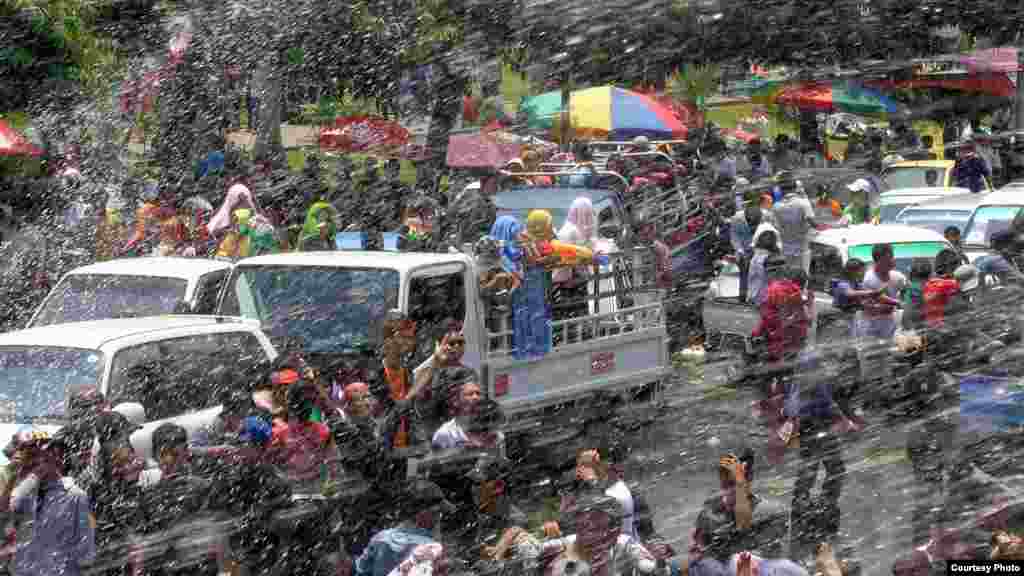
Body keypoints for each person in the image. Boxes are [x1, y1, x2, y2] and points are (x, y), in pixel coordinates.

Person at [782, 349, 859, 543]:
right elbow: (795, 414)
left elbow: (829, 403)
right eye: (816, 367)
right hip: (813, 430)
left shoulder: (813, 384)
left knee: (824, 470)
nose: (820, 371)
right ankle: (810, 509)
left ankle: (814, 506)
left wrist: (845, 421)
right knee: (820, 470)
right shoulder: (802, 392)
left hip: (818, 430)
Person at [207, 416, 292, 576]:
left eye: (245, 443)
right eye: (239, 443)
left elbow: (282, 522)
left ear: (260, 447)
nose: (239, 448)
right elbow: (217, 514)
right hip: (239, 552)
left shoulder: (273, 478)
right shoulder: (227, 476)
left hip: (265, 554)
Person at [4, 431, 95, 576]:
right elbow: (4, 513)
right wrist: (16, 476)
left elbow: (86, 553)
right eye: (29, 456)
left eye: (36, 455)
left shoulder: (75, 497)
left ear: (54, 456)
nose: (33, 462)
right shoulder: (25, 494)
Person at [689, 451, 785, 569]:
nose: (729, 491)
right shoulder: (711, 509)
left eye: (734, 484)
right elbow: (697, 548)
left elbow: (767, 559)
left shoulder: (768, 513)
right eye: (725, 484)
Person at [354, 479, 455, 576]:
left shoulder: (380, 538)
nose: (438, 519)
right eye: (438, 513)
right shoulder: (431, 550)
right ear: (424, 513)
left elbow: (361, 572)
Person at [772, 173, 819, 274]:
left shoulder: (776, 206)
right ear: (795, 188)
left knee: (789, 278)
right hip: (802, 249)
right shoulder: (803, 203)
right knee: (802, 277)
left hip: (786, 249)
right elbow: (813, 223)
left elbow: (775, 226)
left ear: (780, 190)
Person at [859, 243, 906, 340]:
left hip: (890, 327)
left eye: (892, 257)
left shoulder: (898, 277)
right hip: (871, 328)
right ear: (877, 261)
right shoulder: (868, 279)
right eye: (887, 259)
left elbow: (908, 291)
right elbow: (877, 298)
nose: (891, 261)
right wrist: (898, 303)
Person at [922, 249, 964, 329]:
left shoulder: (929, 283)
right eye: (959, 264)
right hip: (944, 330)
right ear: (951, 265)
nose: (960, 267)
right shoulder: (950, 284)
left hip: (929, 328)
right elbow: (958, 308)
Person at [730, 206, 764, 303]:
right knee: (744, 273)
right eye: (751, 224)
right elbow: (734, 237)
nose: (753, 227)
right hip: (743, 249)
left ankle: (758, 298)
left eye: (755, 224)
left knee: (759, 274)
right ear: (746, 218)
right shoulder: (736, 219)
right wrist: (741, 252)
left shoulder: (766, 216)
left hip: (759, 248)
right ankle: (743, 298)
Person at [747, 230, 780, 307]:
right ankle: (761, 301)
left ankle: (754, 299)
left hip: (755, 261)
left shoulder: (755, 252)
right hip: (764, 262)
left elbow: (751, 277)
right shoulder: (772, 253)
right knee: (763, 282)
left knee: (755, 281)